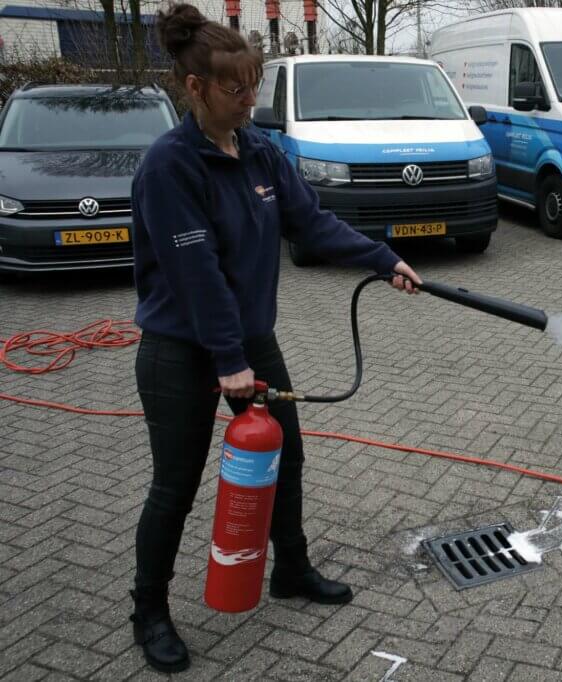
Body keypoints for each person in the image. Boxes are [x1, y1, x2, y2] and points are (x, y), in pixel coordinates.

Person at [130, 3, 421, 673]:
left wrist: (383, 259)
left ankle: (290, 568)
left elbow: (311, 223)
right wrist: (227, 361)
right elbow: (198, 274)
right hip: (181, 350)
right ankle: (148, 610)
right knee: (174, 485)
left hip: (249, 340)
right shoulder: (170, 168)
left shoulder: (259, 149)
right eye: (235, 89)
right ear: (194, 87)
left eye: (253, 86)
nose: (248, 99)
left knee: (286, 454)